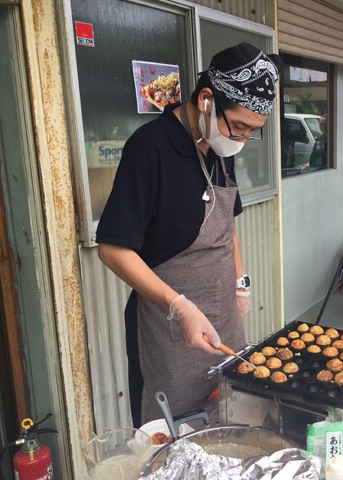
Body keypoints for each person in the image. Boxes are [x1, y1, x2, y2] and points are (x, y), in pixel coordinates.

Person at [96, 42, 281, 426]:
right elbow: (113, 249)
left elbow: (228, 225)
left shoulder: (221, 146)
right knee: (177, 432)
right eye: (241, 126)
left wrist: (240, 283)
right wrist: (180, 307)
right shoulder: (149, 149)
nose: (243, 139)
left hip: (226, 314)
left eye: (253, 131)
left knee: (232, 416)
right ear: (207, 100)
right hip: (169, 330)